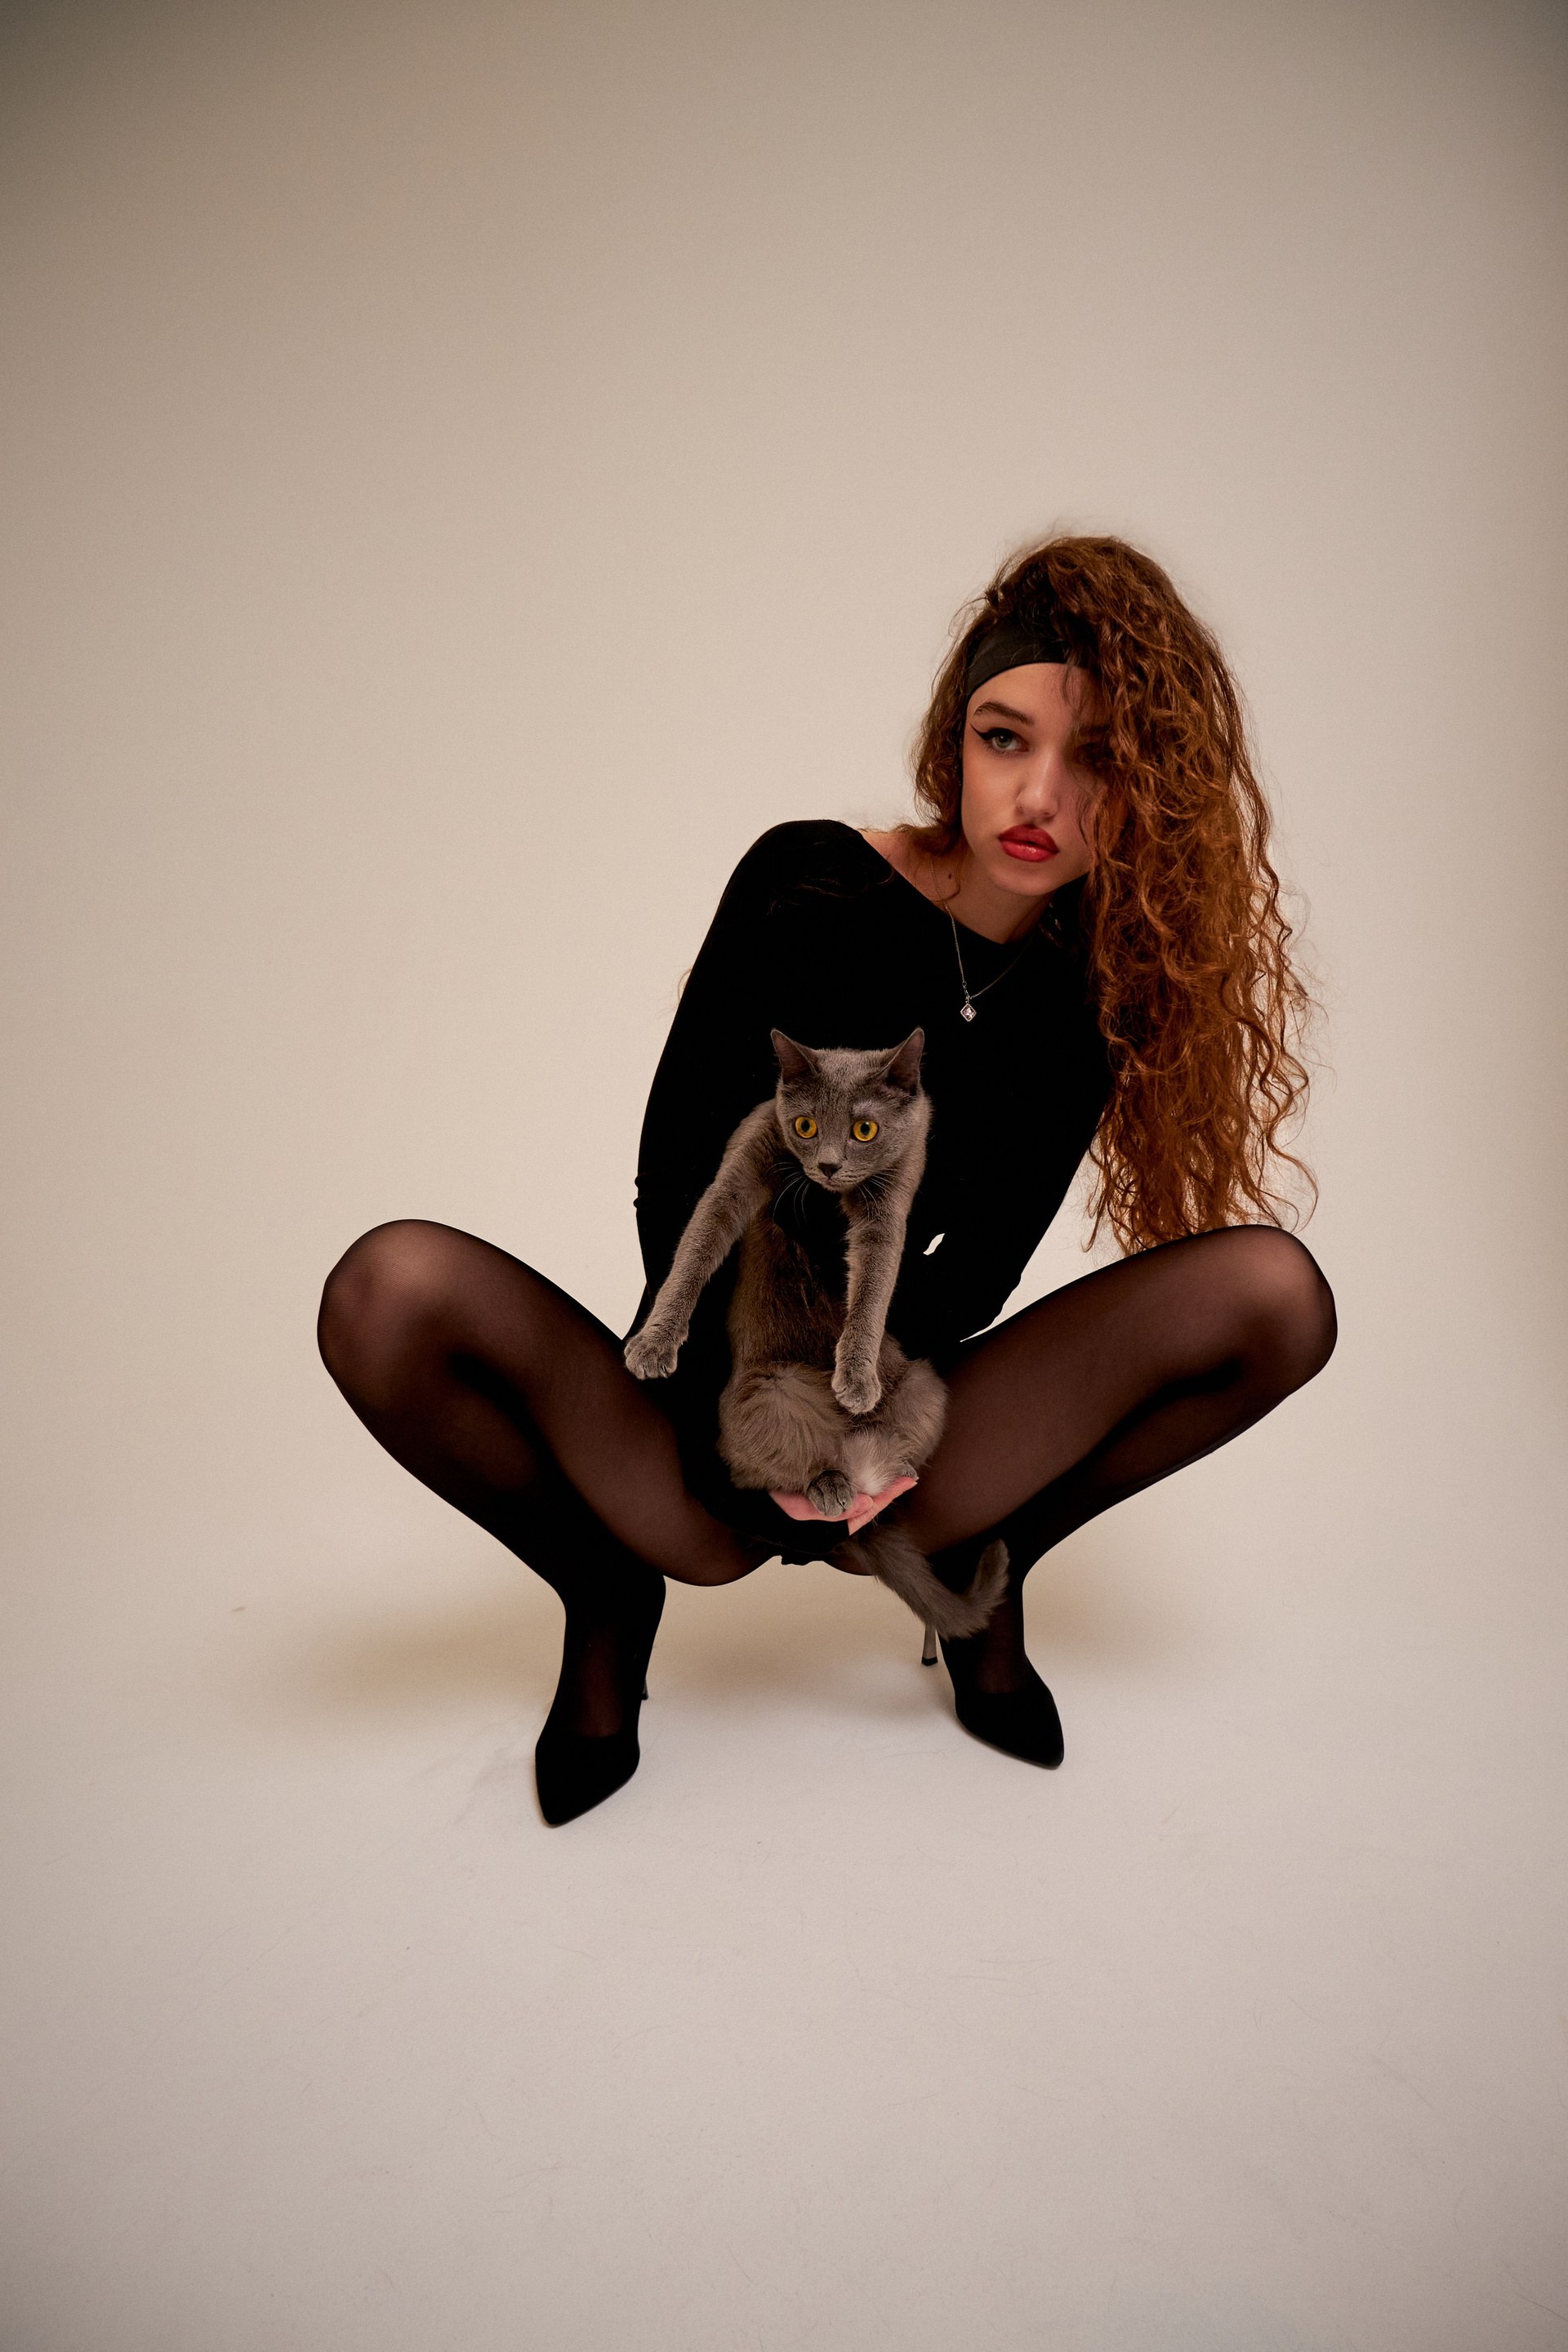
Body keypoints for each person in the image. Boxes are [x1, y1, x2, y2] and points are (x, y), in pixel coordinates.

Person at [317, 536, 1337, 1824]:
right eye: (1005, 739)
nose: (1040, 795)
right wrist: (753, 1421)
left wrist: (870, 1434)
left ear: (1146, 792)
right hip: (712, 1399)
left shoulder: (1091, 993)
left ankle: (994, 1564)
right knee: (386, 1293)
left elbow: (978, 1268)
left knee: (1275, 1300)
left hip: (894, 1411)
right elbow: (676, 1184)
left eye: (1097, 760)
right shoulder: (804, 880)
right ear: (954, 744)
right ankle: (604, 1588)